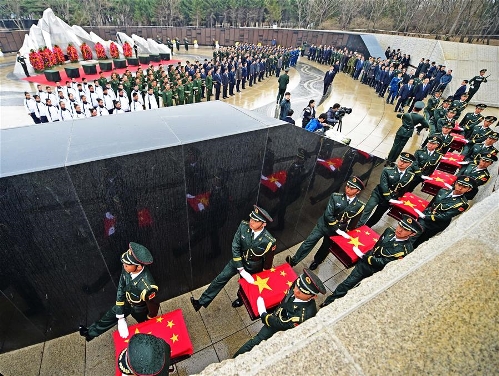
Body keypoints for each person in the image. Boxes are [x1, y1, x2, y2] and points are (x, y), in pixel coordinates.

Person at [320, 215, 422, 307]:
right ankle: (329, 302)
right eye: (400, 226)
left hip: (375, 272)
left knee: (358, 291)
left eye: (405, 229)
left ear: (412, 234)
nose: (400, 230)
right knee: (347, 283)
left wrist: (363, 256)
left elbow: (384, 263)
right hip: (364, 265)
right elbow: (377, 246)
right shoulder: (389, 231)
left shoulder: (405, 251)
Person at [190, 205, 276, 310]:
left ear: (263, 224)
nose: (251, 222)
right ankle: (201, 302)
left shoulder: (269, 241)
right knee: (221, 278)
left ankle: (240, 299)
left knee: (244, 285)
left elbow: (268, 261)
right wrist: (240, 268)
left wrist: (264, 273)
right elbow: (235, 246)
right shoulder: (243, 226)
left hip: (253, 265)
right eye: (251, 218)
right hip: (238, 260)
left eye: (255, 221)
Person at [233, 268, 325, 357]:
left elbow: (281, 324)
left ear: (314, 297)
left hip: (279, 330)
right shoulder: (296, 287)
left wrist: (263, 314)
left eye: (302, 292)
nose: (296, 291)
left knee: (257, 341)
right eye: (297, 286)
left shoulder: (303, 316)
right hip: (277, 314)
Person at [79, 243, 160, 341]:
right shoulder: (127, 269)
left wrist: (149, 319)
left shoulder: (148, 287)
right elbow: (121, 287)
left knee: (146, 328)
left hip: (140, 309)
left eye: (126, 265)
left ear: (138, 267)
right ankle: (90, 333)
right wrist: (120, 316)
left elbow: (154, 306)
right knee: (109, 316)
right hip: (126, 301)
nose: (123, 266)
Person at [286, 176, 365, 270]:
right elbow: (328, 215)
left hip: (336, 231)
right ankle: (294, 261)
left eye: (352, 188)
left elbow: (353, 223)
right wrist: (338, 230)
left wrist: (347, 233)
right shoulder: (336, 197)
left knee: (325, 248)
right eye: (347, 186)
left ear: (358, 191)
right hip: (324, 225)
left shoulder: (359, 206)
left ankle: (317, 261)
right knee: (309, 242)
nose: (348, 189)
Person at [412, 176, 475, 248]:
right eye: (459, 185)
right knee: (413, 232)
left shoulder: (462, 204)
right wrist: (423, 212)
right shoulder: (443, 191)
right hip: (427, 214)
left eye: (464, 187)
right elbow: (432, 204)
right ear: (455, 183)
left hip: (436, 223)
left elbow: (445, 216)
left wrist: (425, 217)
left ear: (469, 189)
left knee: (420, 240)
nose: (460, 188)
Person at [358, 152, 417, 228]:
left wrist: (398, 198)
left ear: (410, 164)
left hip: (391, 198)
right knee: (368, 209)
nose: (401, 163)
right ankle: (358, 226)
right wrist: (389, 198)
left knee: (378, 215)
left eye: (405, 162)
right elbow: (383, 185)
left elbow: (404, 188)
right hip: (378, 194)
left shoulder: (409, 175)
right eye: (401, 160)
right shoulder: (387, 170)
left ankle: (366, 227)